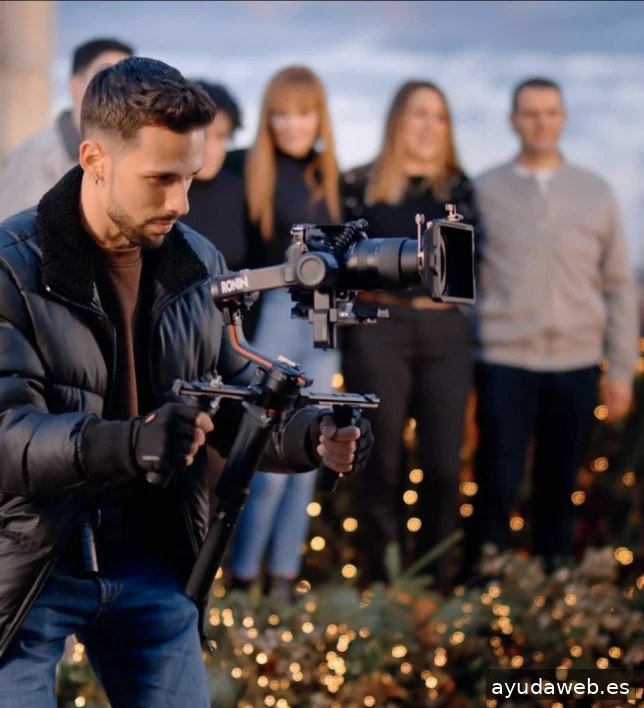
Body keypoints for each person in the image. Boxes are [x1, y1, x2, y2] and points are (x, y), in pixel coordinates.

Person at [0, 57, 374, 708]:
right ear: (94, 159)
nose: (180, 202)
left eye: (189, 177)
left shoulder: (197, 261)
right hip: (26, 558)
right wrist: (131, 442)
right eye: (161, 179)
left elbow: (236, 403)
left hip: (153, 558)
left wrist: (312, 438)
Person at [465, 77, 639, 575]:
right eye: (530, 113)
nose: (541, 122)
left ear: (563, 118)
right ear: (513, 121)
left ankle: (554, 590)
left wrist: (621, 369)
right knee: (496, 484)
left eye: (550, 112)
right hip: (504, 360)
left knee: (560, 489)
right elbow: (463, 279)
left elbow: (619, 285)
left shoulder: (596, 192)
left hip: (577, 362)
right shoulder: (485, 190)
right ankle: (485, 589)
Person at [339, 80, 481, 594]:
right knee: (382, 463)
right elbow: (343, 261)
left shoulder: (460, 190)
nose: (428, 126)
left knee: (443, 466)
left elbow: (476, 264)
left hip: (445, 330)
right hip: (381, 327)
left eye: (438, 116)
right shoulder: (359, 185)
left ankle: (434, 586)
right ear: (397, 120)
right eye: (419, 114)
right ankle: (382, 586)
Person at [226, 67, 343, 605]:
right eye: (282, 114)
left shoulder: (332, 178)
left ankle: (283, 581)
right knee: (270, 457)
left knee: (311, 452)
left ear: (320, 117)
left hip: (325, 320)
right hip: (274, 314)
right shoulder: (247, 170)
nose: (293, 125)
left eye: (304, 113)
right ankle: (243, 577)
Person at [0, 37, 134, 221]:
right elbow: (17, 233)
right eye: (105, 78)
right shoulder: (36, 156)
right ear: (75, 85)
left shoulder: (128, 154)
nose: (117, 89)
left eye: (127, 80)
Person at [181, 80, 249, 272]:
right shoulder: (162, 192)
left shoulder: (239, 190)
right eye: (202, 136)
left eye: (221, 136)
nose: (210, 150)